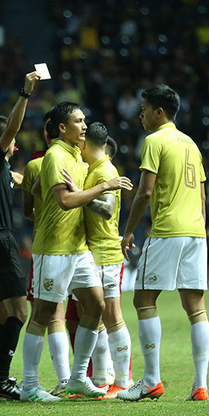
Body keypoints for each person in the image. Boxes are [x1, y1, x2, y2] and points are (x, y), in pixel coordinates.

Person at [23, 102, 132, 402]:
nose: (84, 126)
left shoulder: (75, 156)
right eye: (78, 121)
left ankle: (77, 378)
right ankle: (29, 385)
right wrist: (104, 186)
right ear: (62, 127)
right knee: (44, 313)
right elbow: (66, 202)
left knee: (96, 306)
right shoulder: (56, 156)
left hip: (78, 247)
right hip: (54, 248)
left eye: (85, 121)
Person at [118, 84, 209, 402]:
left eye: (144, 109)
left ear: (159, 112)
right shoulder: (191, 143)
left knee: (143, 299)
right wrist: (199, 229)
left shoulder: (154, 141)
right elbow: (201, 194)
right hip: (196, 232)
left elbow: (145, 192)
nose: (140, 114)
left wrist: (128, 230)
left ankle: (151, 381)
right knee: (195, 308)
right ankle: (200, 385)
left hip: (167, 231)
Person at [0, 71, 41, 400]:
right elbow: (12, 129)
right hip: (0, 243)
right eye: (10, 138)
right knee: (20, 313)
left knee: (2, 317)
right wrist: (25, 94)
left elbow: (12, 176)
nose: (15, 142)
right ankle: (2, 380)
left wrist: (21, 180)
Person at [74, 123, 132, 399]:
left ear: (85, 143)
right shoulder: (95, 170)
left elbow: (107, 210)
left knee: (112, 317)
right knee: (93, 318)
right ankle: (100, 379)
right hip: (92, 252)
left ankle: (123, 381)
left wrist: (79, 197)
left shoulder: (106, 171)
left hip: (107, 254)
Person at [21, 112, 71, 397]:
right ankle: (66, 378)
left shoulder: (34, 165)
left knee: (45, 314)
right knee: (60, 315)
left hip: (48, 245)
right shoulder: (77, 161)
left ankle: (45, 380)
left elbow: (28, 211)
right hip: (71, 246)